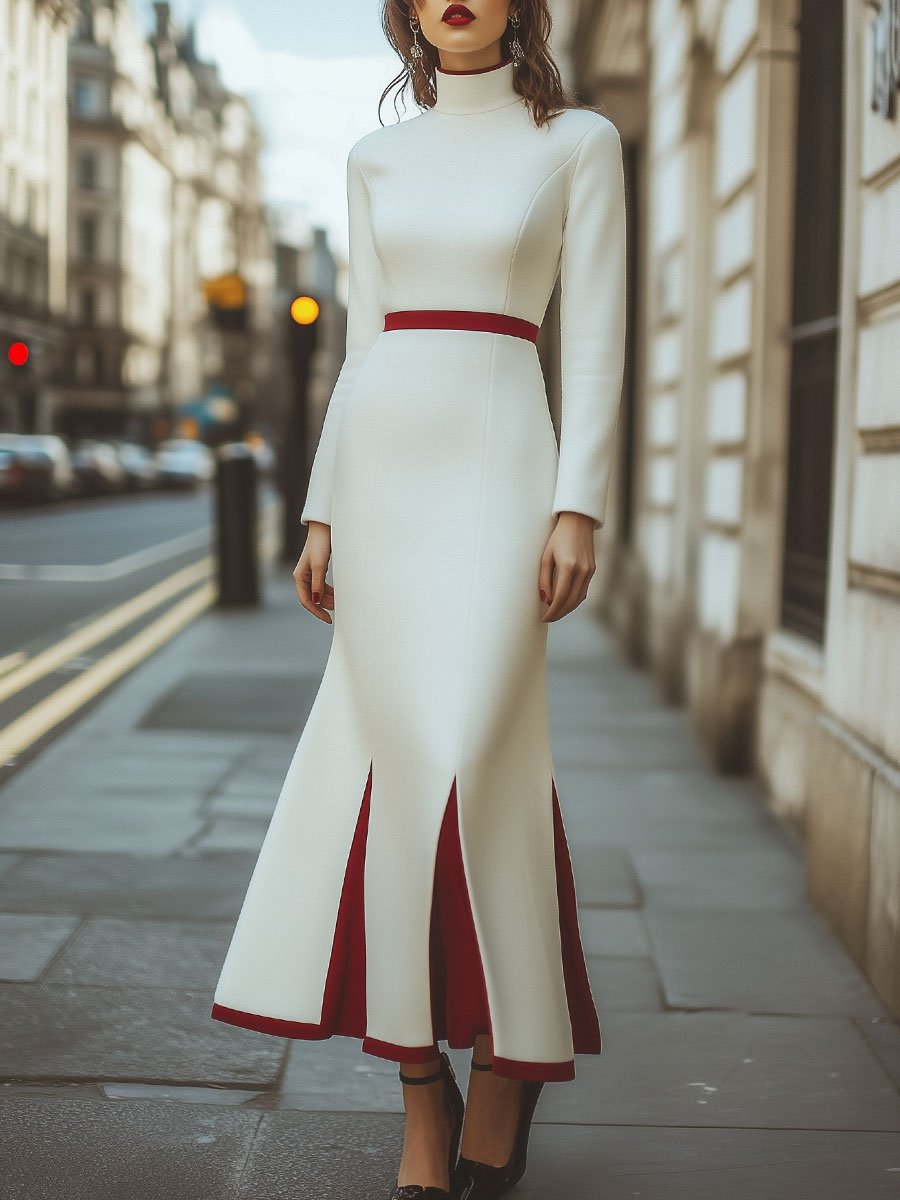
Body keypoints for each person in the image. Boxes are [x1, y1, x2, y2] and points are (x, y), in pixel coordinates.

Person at [211, 3, 627, 1197]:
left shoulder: (578, 142)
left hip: (505, 472)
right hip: (384, 479)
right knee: (400, 779)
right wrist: (323, 508)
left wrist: (578, 504)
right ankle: (420, 1093)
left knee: (481, 752)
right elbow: (360, 343)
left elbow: (592, 344)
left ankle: (511, 1059)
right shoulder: (373, 155)